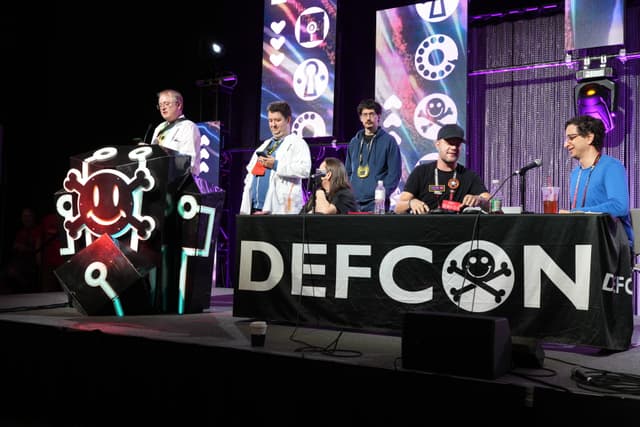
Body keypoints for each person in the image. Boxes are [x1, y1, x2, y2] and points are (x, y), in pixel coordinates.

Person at [560, 115, 633, 249]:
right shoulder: (575, 173)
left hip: (610, 245)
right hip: (582, 241)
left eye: (571, 138)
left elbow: (619, 206)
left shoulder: (611, 167)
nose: (566, 144)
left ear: (589, 137)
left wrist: (576, 213)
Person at [394, 124, 490, 214]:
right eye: (449, 143)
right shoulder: (421, 172)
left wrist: (480, 200)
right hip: (425, 228)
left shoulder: (469, 176)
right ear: (437, 144)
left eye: (458, 144)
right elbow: (398, 208)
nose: (453, 147)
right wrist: (411, 202)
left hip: (459, 228)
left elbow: (493, 206)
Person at [240, 101, 311, 215]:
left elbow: (304, 170)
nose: (273, 125)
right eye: (270, 120)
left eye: (277, 120)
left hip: (278, 209)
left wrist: (276, 165)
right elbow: (252, 175)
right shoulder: (265, 145)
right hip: (254, 209)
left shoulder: (298, 143)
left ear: (288, 120)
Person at [345, 98, 401, 212]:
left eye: (372, 114)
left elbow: (394, 174)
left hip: (377, 203)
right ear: (360, 118)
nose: (368, 118)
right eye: (365, 115)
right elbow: (348, 171)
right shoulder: (354, 142)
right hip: (354, 202)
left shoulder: (389, 141)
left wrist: (382, 195)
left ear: (378, 117)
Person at [150, 89, 201, 176]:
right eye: (160, 105)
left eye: (166, 104)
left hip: (180, 180)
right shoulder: (159, 128)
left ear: (178, 105)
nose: (163, 108)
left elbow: (188, 161)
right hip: (158, 178)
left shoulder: (188, 127)